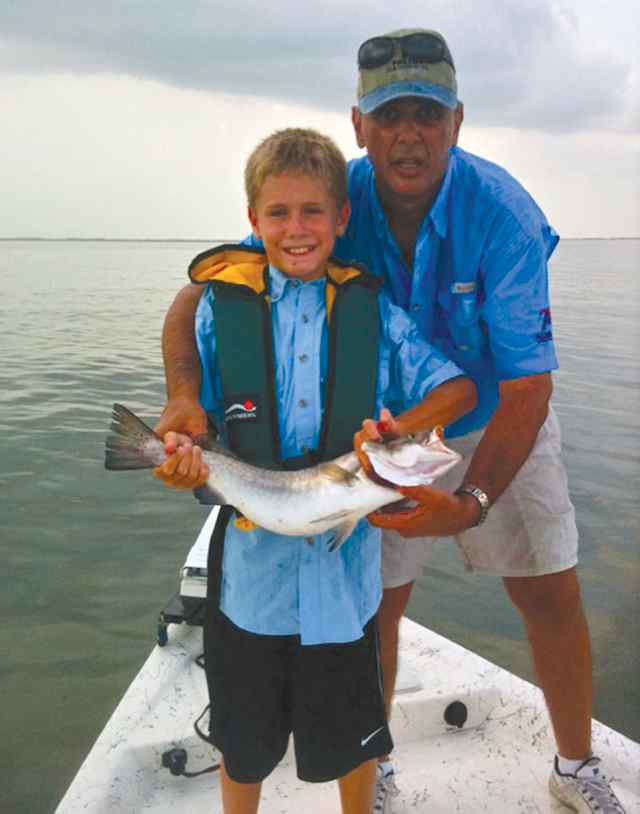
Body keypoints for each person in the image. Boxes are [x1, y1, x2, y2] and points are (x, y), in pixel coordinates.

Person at [155, 30, 626, 814]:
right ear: (359, 125)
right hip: (373, 442)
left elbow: (529, 388)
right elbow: (198, 295)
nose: (409, 133)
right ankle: (378, 770)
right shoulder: (332, 199)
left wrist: (467, 503)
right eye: (390, 115)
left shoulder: (504, 216)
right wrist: (182, 396)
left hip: (493, 414)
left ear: (458, 121)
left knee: (548, 589)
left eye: (427, 113)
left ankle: (576, 766)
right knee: (380, 606)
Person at [154, 127, 477, 814]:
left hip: (344, 593)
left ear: (341, 219)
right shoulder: (221, 310)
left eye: (312, 212)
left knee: (354, 745)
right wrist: (185, 448)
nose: (296, 229)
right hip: (249, 587)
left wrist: (397, 429)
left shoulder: (374, 313)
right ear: (253, 222)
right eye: (278, 213)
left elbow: (459, 390)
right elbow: (198, 412)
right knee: (242, 749)